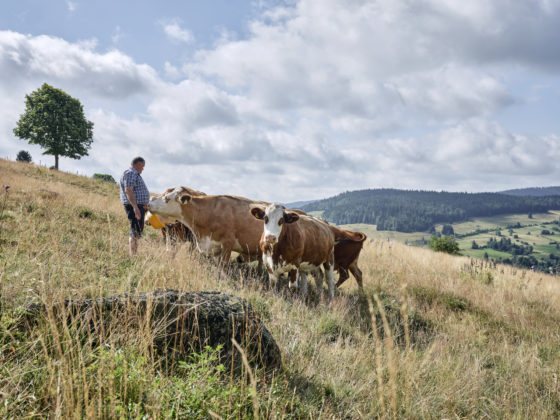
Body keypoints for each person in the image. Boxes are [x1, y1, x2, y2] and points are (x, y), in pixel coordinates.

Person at [120, 157, 150, 255]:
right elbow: (128, 190)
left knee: (137, 230)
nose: (143, 169)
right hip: (135, 206)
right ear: (138, 164)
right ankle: (133, 255)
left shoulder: (134, 174)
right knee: (135, 230)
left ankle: (134, 254)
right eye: (142, 166)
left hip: (138, 206)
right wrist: (135, 207)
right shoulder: (130, 173)